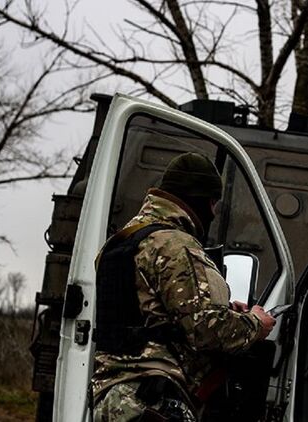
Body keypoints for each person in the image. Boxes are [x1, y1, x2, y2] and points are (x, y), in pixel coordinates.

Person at [91, 152, 276, 421]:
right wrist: (256, 323)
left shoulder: (121, 241)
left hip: (113, 397)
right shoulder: (174, 245)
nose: (213, 212)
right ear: (200, 199)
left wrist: (224, 309)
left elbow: (148, 313)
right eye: (213, 203)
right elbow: (205, 331)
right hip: (150, 399)